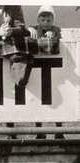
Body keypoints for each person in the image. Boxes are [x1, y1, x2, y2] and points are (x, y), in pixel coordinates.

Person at [30, 6, 63, 140]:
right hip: (38, 70)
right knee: (38, 101)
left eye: (48, 20)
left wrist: (54, 35)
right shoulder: (33, 28)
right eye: (42, 20)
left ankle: (59, 130)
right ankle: (40, 131)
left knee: (56, 101)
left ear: (52, 20)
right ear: (38, 19)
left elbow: (60, 38)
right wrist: (30, 30)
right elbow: (28, 32)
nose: (45, 23)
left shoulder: (56, 29)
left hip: (53, 72)